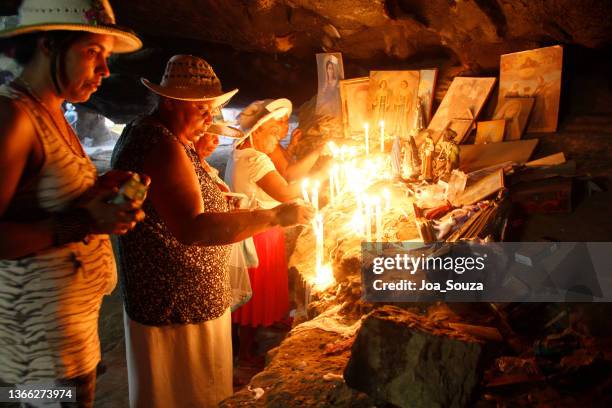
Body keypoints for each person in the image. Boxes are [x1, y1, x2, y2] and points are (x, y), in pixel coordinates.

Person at [111, 54, 313, 408]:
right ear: (171, 101)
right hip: (176, 308)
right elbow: (193, 228)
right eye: (202, 108)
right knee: (185, 394)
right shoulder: (160, 144)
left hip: (181, 301)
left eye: (212, 108)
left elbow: (164, 203)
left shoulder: (164, 137)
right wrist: (275, 217)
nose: (209, 118)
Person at [0, 1, 144, 406]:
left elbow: (40, 196)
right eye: (92, 52)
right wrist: (84, 220)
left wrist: (97, 188)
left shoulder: (53, 112)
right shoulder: (13, 116)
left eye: (107, 57)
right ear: (49, 44)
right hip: (35, 363)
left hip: (70, 343)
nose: (105, 70)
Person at [225, 100, 320, 365]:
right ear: (257, 131)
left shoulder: (242, 150)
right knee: (254, 292)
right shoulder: (254, 158)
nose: (276, 140)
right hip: (258, 233)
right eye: (273, 133)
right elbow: (286, 192)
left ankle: (252, 337)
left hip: (258, 228)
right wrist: (317, 177)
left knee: (259, 286)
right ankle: (244, 353)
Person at [243, 98, 325, 182]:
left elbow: (282, 163)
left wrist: (291, 145)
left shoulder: (272, 143)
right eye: (281, 121)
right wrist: (318, 152)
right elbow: (289, 175)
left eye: (286, 121)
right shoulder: (266, 146)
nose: (286, 126)